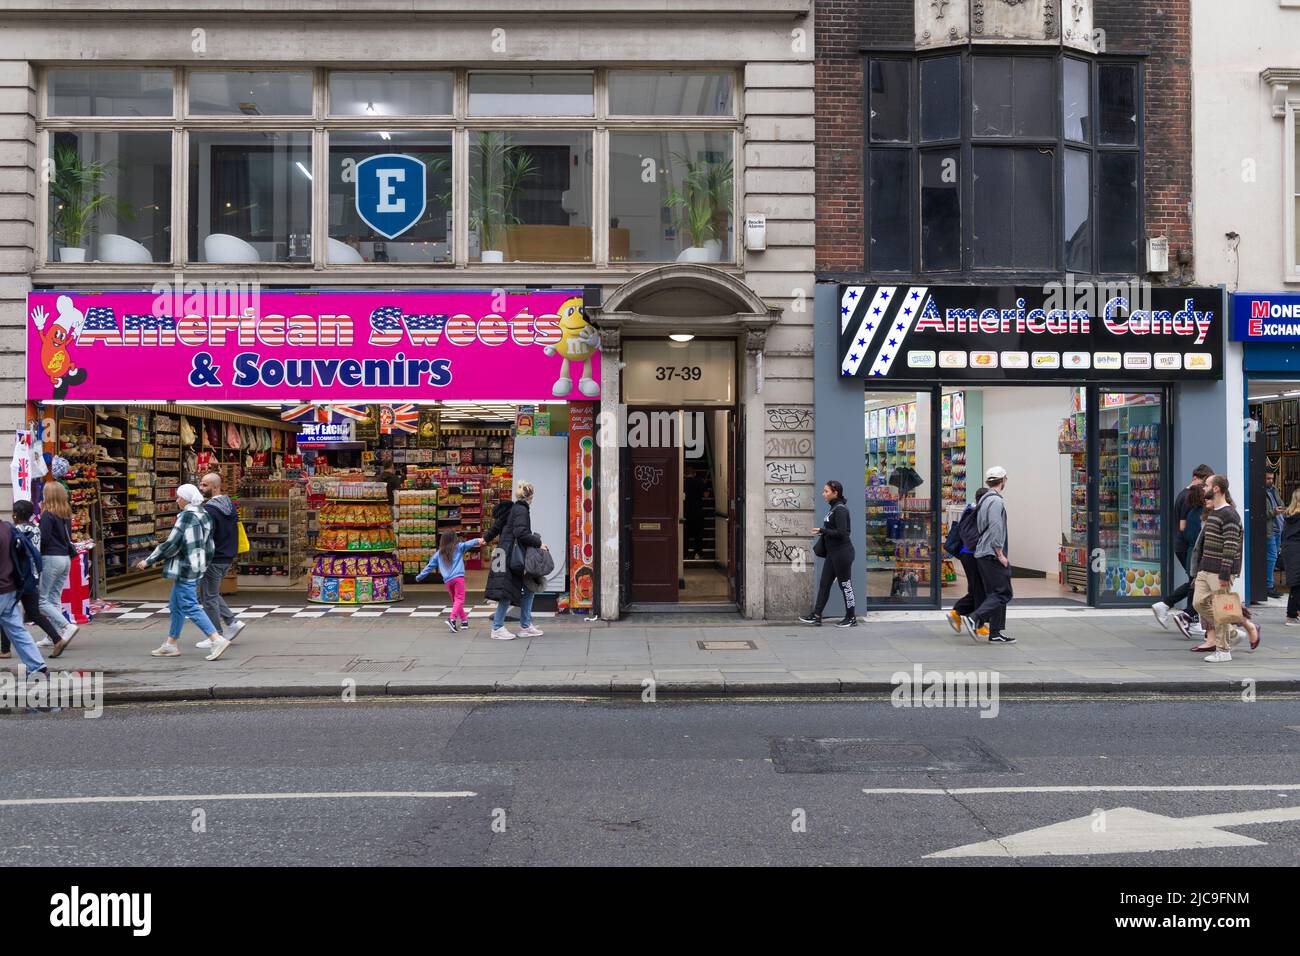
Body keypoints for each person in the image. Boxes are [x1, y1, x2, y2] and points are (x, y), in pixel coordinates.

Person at [134, 483, 232, 661]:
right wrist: (204, 563)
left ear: (186, 499)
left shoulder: (187, 516)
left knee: (189, 604)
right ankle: (171, 643)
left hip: (186, 567)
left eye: (179, 497)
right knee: (176, 605)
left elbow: (172, 544)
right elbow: (210, 544)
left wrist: (148, 560)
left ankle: (216, 638)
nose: (176, 499)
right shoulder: (203, 514)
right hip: (197, 565)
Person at [1187, 475, 1259, 661]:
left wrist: (1225, 573)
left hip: (1220, 570)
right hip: (1206, 568)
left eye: (1207, 485)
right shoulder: (1214, 512)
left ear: (1217, 489)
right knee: (1198, 603)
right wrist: (1199, 570)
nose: (1204, 488)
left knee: (1221, 609)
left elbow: (1231, 545)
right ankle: (1233, 633)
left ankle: (1223, 651)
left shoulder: (1230, 514)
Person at [2, 500, 73, 658]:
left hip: (18, 577)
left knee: (5, 611)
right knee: (34, 612)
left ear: (15, 514)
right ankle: (56, 639)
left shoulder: (16, 530)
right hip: (33, 575)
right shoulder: (36, 529)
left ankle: (5, 649)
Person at [484, 481, 547, 641]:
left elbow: (497, 526)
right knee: (507, 591)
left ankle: (525, 625)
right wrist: (539, 543)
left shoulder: (514, 508)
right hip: (513, 556)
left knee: (529, 587)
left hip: (507, 553)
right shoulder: (521, 510)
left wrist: (485, 539)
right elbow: (521, 533)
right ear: (530, 497)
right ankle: (497, 627)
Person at [1152, 464, 1212, 628]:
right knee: (1196, 582)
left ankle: (1187, 616)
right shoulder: (1190, 498)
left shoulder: (1183, 495)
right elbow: (1183, 526)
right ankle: (1185, 615)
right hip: (1188, 546)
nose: (1205, 487)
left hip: (1185, 545)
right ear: (1195, 478)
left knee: (1195, 581)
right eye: (1204, 482)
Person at [965, 466, 1015, 644]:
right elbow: (996, 526)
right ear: (1003, 480)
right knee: (1004, 592)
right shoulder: (996, 501)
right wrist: (999, 553)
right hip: (991, 554)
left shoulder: (984, 500)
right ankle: (975, 618)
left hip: (982, 552)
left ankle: (995, 633)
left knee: (995, 593)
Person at [196, 472, 245, 648]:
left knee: (207, 598)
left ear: (215, 487)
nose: (201, 488)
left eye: (205, 485)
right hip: (227, 555)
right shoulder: (229, 505)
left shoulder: (209, 509)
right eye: (201, 485)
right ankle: (232, 623)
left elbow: (206, 535)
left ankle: (215, 636)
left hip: (214, 557)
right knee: (211, 593)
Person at [799, 480, 857, 627]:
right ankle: (816, 615)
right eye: (824, 491)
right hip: (833, 554)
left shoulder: (841, 510)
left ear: (835, 492)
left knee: (845, 585)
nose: (823, 494)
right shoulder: (833, 508)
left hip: (842, 553)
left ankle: (851, 617)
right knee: (824, 584)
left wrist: (822, 530)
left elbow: (843, 533)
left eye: (826, 491)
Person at [0, 517, 48, 677]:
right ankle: (37, 666)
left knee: (16, 629)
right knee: (16, 629)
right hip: (10, 587)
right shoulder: (6, 528)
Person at [36, 481, 79, 648]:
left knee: (42, 599)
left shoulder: (48, 515)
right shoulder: (65, 514)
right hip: (65, 558)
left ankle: (66, 626)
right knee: (54, 597)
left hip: (51, 558)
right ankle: (53, 635)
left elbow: (44, 539)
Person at [416, 530, 484, 633]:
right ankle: (452, 619)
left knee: (455, 600)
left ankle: (464, 621)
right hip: (458, 578)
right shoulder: (459, 547)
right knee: (459, 599)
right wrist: (479, 540)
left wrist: (420, 577)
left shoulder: (438, 554)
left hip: (447, 581)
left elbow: (429, 567)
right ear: (454, 539)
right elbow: (469, 543)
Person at [946, 487, 990, 634]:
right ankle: (977, 623)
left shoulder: (968, 509)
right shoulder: (981, 512)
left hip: (965, 553)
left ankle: (957, 613)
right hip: (974, 554)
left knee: (974, 587)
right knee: (980, 589)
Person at [1264, 467, 1284, 599]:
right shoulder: (1261, 492)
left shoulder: (1274, 490)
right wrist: (1274, 512)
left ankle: (1269, 584)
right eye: (1268, 478)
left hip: (1278, 529)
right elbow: (1261, 514)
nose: (1270, 481)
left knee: (1274, 557)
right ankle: (1268, 586)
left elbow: (1280, 503)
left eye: (1272, 478)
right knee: (1271, 558)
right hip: (1269, 530)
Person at [683, 467, 707, 560]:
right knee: (698, 534)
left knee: (685, 535)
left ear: (684, 474)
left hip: (686, 512)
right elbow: (706, 495)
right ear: (694, 473)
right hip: (698, 512)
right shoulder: (700, 482)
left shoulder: (683, 483)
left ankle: (685, 553)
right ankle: (697, 553)